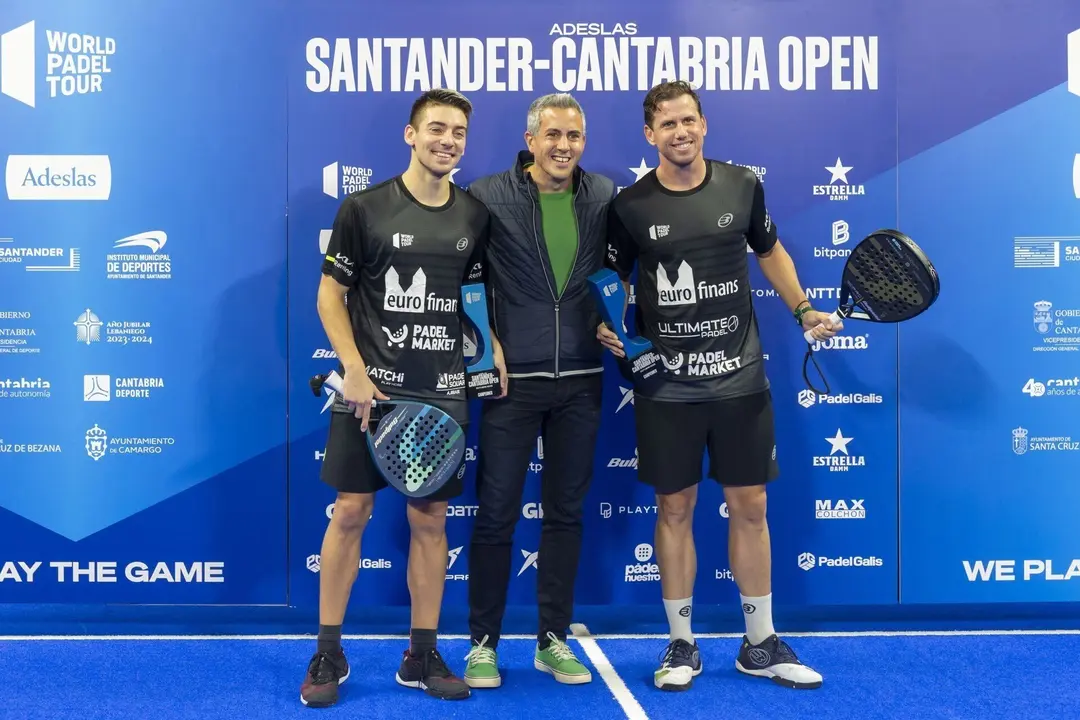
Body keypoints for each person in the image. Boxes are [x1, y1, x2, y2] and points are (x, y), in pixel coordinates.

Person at [598, 80, 837, 692]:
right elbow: (611, 280)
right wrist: (612, 327)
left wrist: (804, 308)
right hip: (668, 389)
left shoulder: (741, 186)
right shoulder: (630, 206)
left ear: (704, 125)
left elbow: (770, 250)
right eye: (667, 125)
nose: (680, 132)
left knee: (750, 505)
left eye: (689, 121)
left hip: (739, 381)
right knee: (674, 509)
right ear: (650, 135)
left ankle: (759, 642)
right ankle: (681, 645)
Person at [301, 88, 499, 707]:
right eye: (437, 128)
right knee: (352, 511)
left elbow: (472, 301)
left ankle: (421, 652)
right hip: (368, 391)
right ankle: (329, 651)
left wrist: (491, 354)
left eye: (459, 132)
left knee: (431, 520)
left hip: (442, 393)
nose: (448, 140)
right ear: (410, 135)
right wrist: (355, 372)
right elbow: (330, 296)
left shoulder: (473, 216)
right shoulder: (363, 208)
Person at [460, 93, 615, 689]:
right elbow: (463, 279)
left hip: (581, 382)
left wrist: (613, 316)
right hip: (510, 384)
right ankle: (482, 646)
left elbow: (619, 269)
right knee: (496, 517)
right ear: (531, 140)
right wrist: (487, 346)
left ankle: (553, 640)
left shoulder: (602, 195)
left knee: (565, 516)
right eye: (552, 135)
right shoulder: (486, 195)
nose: (563, 146)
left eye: (574, 136)